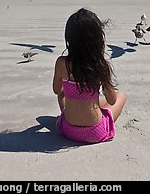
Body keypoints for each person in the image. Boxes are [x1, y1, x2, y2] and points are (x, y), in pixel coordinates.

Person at [52, 8, 127, 144]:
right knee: (121, 96)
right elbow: (112, 100)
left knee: (63, 93)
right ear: (97, 39)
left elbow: (57, 90)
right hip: (95, 132)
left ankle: (76, 113)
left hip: (67, 130)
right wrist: (104, 86)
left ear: (69, 38)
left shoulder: (61, 63)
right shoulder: (100, 66)